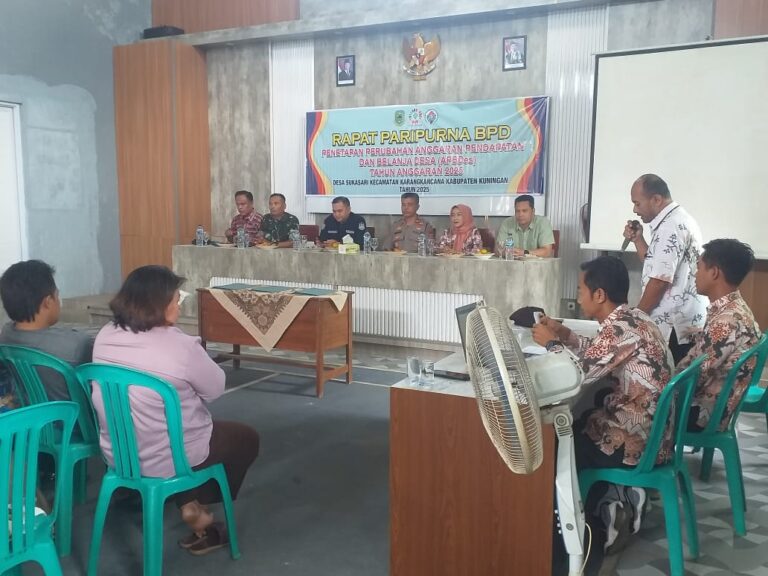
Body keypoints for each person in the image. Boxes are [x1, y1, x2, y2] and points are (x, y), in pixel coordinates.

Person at [91, 265, 260, 556]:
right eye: (175, 299)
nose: (179, 305)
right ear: (158, 305)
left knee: (173, 433)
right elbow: (215, 389)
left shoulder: (105, 335)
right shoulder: (181, 346)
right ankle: (198, 509)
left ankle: (188, 500)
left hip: (119, 452)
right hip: (170, 457)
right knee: (245, 439)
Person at [532, 256, 672, 554]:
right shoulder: (634, 317)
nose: (578, 296)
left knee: (555, 441)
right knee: (584, 415)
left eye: (580, 289)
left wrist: (551, 344)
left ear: (599, 295)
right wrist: (565, 335)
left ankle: (582, 523)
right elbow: (602, 353)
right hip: (655, 433)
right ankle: (619, 496)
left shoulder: (618, 329)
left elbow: (574, 376)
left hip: (637, 443)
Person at [677, 239, 762, 432]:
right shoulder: (734, 309)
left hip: (703, 413)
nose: (695, 273)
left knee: (638, 409)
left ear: (714, 272)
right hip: (713, 406)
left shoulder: (726, 321)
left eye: (699, 267)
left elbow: (693, 377)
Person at [623, 174, 708, 364]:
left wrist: (636, 319)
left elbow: (659, 281)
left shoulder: (670, 227)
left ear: (656, 199)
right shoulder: (677, 219)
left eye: (637, 203)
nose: (635, 210)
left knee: (669, 377)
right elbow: (655, 265)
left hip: (674, 326)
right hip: (685, 321)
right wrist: (638, 239)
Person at [0, 260, 93, 401]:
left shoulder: (6, 334)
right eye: (57, 295)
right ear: (48, 302)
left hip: (29, 411)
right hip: (72, 414)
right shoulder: (77, 344)